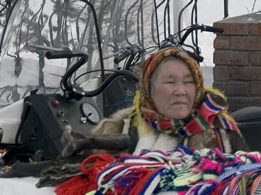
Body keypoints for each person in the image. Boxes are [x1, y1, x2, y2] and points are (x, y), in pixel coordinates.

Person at [89, 47, 247, 153]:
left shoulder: (221, 133)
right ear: (149, 89)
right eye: (170, 82)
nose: (181, 91)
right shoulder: (122, 127)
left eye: (189, 82)